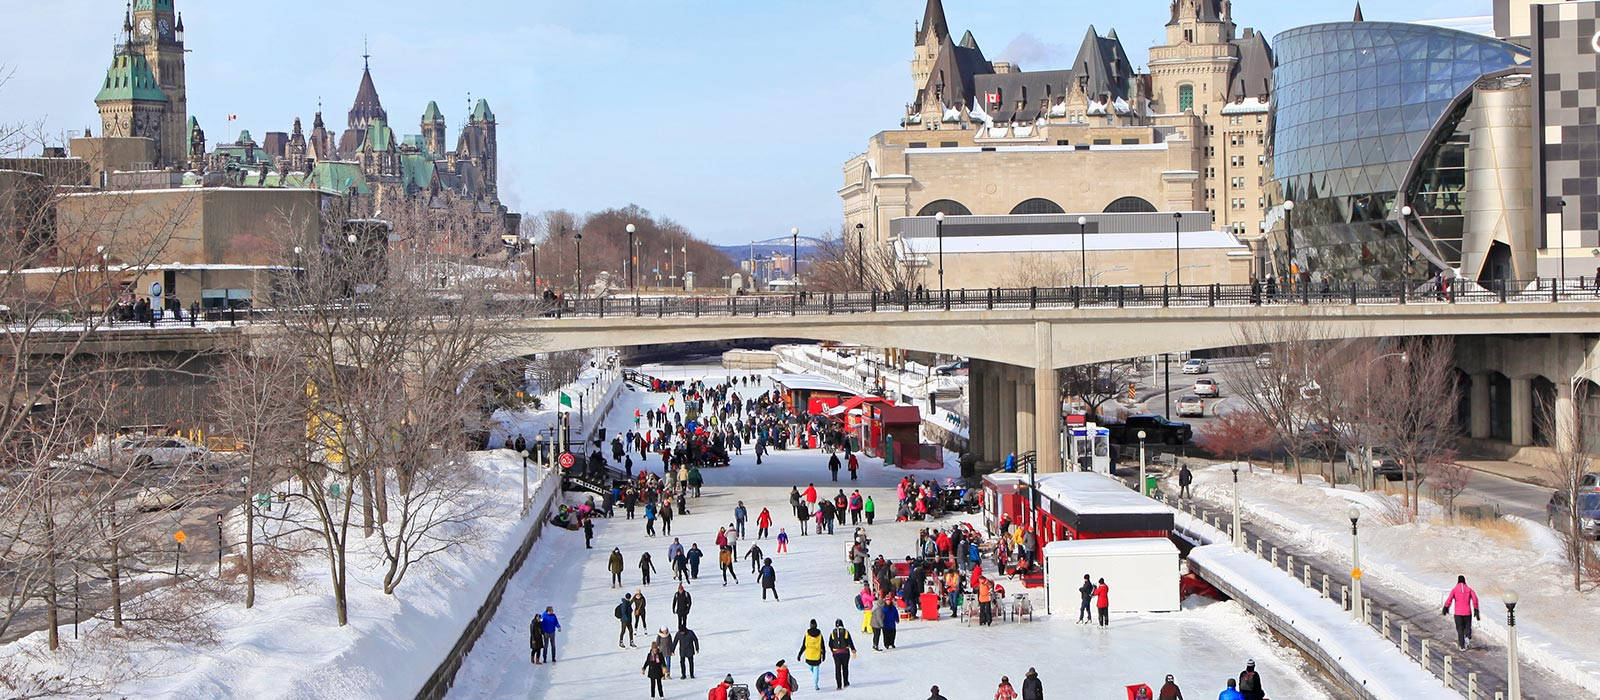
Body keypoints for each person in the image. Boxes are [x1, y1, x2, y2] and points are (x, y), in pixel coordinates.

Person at [1442, 574, 1480, 651]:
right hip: (1467, 613)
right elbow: (1475, 599)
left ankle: (1462, 646)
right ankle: (1467, 637)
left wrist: (1446, 607)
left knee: (1460, 629)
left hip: (1458, 613)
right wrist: (1476, 609)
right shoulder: (1469, 589)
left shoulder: (1455, 590)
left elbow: (1449, 599)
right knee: (1467, 627)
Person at [828, 618, 857, 689]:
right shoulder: (846, 631)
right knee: (845, 668)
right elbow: (850, 642)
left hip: (836, 653)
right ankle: (846, 683)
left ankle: (839, 685)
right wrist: (853, 650)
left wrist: (833, 651)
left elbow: (830, 643)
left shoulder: (832, 632)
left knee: (837, 669)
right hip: (845, 653)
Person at [797, 619, 826, 691]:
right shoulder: (819, 635)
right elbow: (822, 646)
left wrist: (799, 654)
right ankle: (815, 685)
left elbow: (804, 645)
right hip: (817, 656)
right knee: (816, 670)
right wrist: (823, 655)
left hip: (809, 656)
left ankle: (811, 682)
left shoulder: (807, 634)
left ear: (810, 625)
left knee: (811, 670)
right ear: (816, 625)